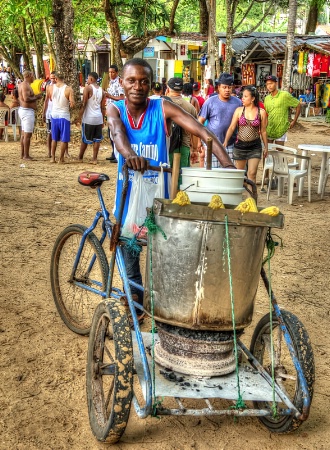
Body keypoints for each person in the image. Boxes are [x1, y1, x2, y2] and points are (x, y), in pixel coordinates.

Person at [107, 58, 234, 321]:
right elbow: (118, 134)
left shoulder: (162, 107)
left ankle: (159, 305)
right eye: (131, 80)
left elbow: (201, 130)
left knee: (163, 255)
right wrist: (130, 155)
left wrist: (229, 166)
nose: (137, 86)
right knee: (130, 253)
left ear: (152, 84)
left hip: (159, 198)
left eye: (144, 81)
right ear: (122, 82)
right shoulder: (114, 109)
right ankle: (135, 305)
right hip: (128, 195)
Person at [223, 85, 268, 185]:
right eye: (242, 96)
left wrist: (266, 147)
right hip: (240, 147)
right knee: (240, 175)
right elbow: (231, 127)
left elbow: (263, 131)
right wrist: (226, 141)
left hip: (255, 147)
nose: (242, 98)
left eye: (245, 96)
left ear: (252, 98)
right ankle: (240, 199)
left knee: (252, 174)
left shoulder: (261, 112)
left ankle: (251, 199)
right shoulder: (239, 110)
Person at [263, 75, 301, 188]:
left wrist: (294, 121)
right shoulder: (267, 99)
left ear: (276, 83)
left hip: (281, 128)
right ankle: (266, 177)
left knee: (280, 153)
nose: (269, 86)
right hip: (269, 129)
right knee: (266, 153)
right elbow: (265, 113)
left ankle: (279, 177)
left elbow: (298, 104)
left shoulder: (284, 95)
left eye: (271, 83)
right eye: (267, 84)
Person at [198, 72, 242, 167]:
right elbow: (200, 122)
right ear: (218, 88)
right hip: (212, 144)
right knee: (212, 173)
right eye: (224, 87)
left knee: (228, 173)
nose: (227, 90)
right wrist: (198, 141)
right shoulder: (210, 102)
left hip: (231, 144)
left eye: (229, 87)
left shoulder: (238, 103)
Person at [166, 78, 199, 174]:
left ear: (168, 89)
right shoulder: (190, 107)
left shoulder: (162, 104)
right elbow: (195, 131)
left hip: (166, 146)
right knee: (181, 178)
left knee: (166, 176)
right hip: (184, 147)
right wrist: (195, 150)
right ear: (181, 90)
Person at [77, 72, 106, 164]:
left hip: (88, 118)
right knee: (97, 139)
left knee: (85, 139)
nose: (87, 80)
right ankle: (94, 159)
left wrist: (79, 117)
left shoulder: (88, 88)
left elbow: (84, 103)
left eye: (88, 78)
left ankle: (80, 157)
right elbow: (102, 107)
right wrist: (103, 120)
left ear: (91, 79)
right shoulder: (102, 90)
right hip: (98, 117)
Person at [50, 72, 75, 163]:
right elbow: (72, 104)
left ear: (56, 79)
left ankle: (52, 158)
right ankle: (61, 158)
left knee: (54, 138)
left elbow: (50, 99)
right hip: (64, 115)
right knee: (64, 139)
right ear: (64, 79)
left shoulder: (50, 87)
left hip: (54, 114)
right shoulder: (68, 89)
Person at [18, 70, 43, 160]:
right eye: (32, 75)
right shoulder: (25, 86)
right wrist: (37, 97)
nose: (33, 77)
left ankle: (23, 154)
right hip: (27, 111)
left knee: (24, 134)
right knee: (27, 135)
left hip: (24, 110)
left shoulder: (22, 85)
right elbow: (26, 98)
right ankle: (26, 155)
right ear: (28, 75)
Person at [105, 64, 125, 163]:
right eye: (109, 72)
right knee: (110, 133)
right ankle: (113, 153)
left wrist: (110, 96)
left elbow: (122, 98)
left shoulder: (119, 83)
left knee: (116, 133)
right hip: (110, 111)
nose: (111, 74)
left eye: (113, 72)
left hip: (117, 111)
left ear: (117, 73)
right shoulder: (111, 83)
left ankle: (118, 155)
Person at [42, 71, 56, 158]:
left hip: (58, 113)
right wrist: (44, 112)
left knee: (62, 134)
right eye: (51, 78)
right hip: (50, 113)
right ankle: (49, 152)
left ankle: (66, 152)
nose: (53, 79)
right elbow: (46, 100)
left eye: (54, 78)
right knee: (49, 133)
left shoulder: (62, 87)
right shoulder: (48, 86)